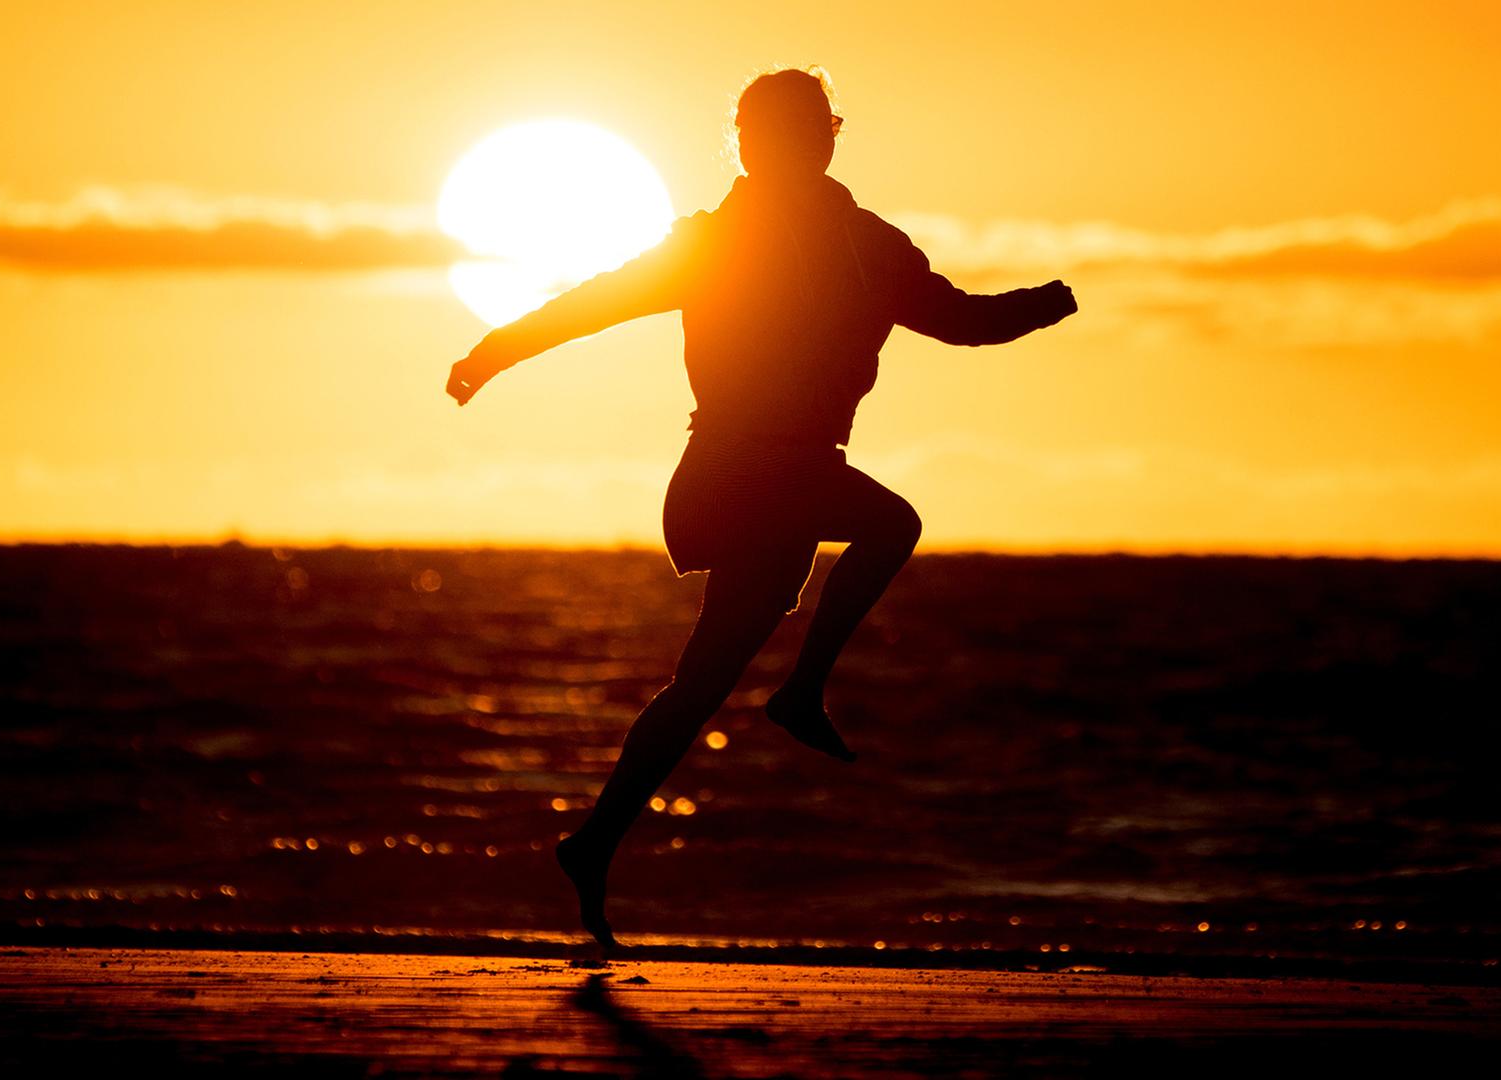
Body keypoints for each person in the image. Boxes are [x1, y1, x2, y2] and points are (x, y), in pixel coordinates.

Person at [445, 67, 1076, 948]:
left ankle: (592, 845)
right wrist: (492, 351)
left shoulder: (869, 247)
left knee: (699, 686)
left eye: (798, 133)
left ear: (826, 141)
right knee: (893, 524)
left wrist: (1047, 303)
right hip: (735, 470)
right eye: (760, 135)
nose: (775, 148)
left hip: (797, 479)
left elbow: (966, 321)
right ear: (743, 144)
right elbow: (592, 306)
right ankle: (803, 693)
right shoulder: (711, 243)